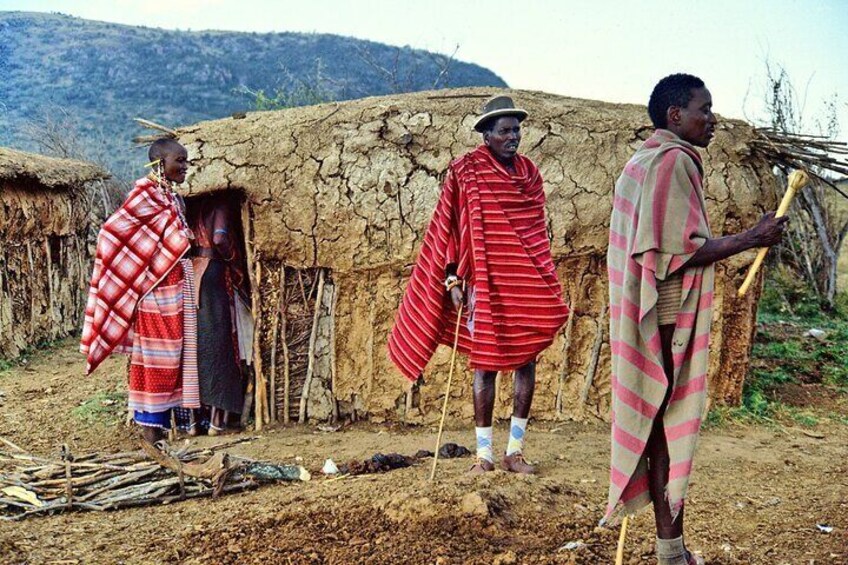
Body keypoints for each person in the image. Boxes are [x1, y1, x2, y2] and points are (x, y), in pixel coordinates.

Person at [604, 73, 787, 564]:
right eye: (704, 109)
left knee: (660, 426)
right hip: (664, 314)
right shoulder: (673, 164)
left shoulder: (641, 163)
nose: (713, 119)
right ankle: (670, 552)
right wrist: (752, 237)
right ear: (675, 116)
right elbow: (676, 254)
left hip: (643, 311)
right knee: (666, 426)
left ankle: (672, 548)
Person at [388, 96, 570, 475]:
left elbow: (535, 233)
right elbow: (451, 228)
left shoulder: (530, 175)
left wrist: (540, 275)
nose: (513, 137)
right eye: (504, 131)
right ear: (486, 135)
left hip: (523, 279)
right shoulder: (466, 171)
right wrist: (451, 277)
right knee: (485, 363)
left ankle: (514, 452)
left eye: (516, 130)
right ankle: (483, 455)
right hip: (484, 280)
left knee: (526, 359)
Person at [81, 138, 199, 445]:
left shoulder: (169, 197)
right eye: (179, 161)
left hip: (175, 290)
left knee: (175, 358)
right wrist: (142, 279)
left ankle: (161, 432)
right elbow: (111, 233)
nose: (185, 166)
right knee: (155, 361)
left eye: (186, 161)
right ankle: (150, 433)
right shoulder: (144, 197)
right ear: (159, 164)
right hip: (155, 296)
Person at [185, 195, 249, 435]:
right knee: (219, 343)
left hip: (191, 271)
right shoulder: (219, 204)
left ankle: (192, 422)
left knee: (194, 345)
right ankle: (216, 421)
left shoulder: (187, 205)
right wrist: (234, 260)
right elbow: (220, 238)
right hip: (212, 271)